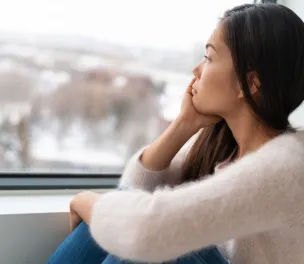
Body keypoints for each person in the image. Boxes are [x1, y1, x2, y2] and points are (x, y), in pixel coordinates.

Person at [47, 3, 304, 264]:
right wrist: (184, 124)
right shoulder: (226, 147)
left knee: (145, 239)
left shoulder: (288, 165)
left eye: (209, 57)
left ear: (249, 84)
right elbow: (134, 189)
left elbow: (143, 232)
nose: (196, 70)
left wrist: (86, 201)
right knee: (119, 219)